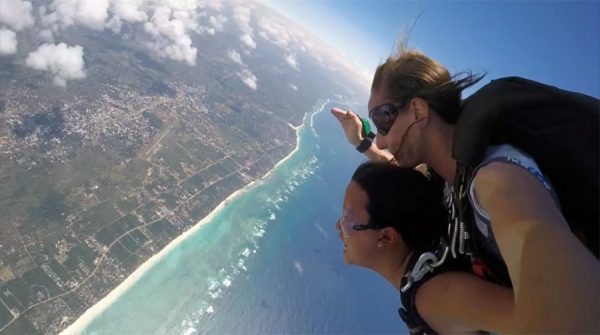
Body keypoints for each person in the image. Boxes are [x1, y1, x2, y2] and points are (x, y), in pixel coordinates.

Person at [332, 46, 600, 333]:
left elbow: (535, 233)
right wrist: (363, 144)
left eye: (383, 119)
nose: (382, 141)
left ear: (418, 110)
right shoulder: (447, 175)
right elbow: (404, 174)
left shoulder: (497, 179)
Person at [338, 162, 517, 333]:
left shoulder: (435, 298)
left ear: (386, 237)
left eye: (347, 220)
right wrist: (363, 144)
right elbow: (394, 196)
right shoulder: (427, 206)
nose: (338, 226)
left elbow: (536, 319)